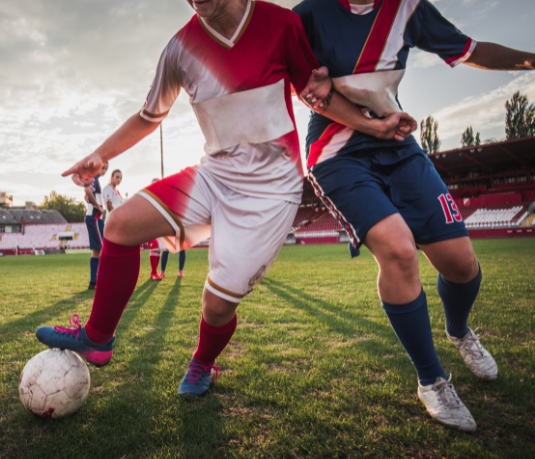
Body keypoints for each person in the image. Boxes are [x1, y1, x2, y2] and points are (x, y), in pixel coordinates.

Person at [36, 0, 415, 397]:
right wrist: (103, 154)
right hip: (214, 176)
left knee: (216, 306)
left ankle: (202, 363)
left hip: (271, 192)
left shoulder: (281, 24)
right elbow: (149, 116)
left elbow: (315, 95)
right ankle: (98, 339)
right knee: (120, 225)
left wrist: (374, 126)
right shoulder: (178, 50)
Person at [292, 0, 535, 431]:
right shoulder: (306, 16)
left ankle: (460, 330)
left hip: (397, 141)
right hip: (337, 153)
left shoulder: (406, 8)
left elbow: (470, 49)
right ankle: (432, 381)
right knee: (398, 250)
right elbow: (306, 89)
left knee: (462, 265)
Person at [84, 161, 108, 290]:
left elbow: (86, 195)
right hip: (94, 217)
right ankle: (99, 279)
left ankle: (94, 281)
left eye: (105, 169)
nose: (103, 170)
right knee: (102, 248)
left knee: (97, 250)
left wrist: (92, 202)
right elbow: (87, 190)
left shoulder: (96, 180)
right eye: (102, 167)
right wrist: (97, 206)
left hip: (95, 217)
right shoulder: (93, 178)